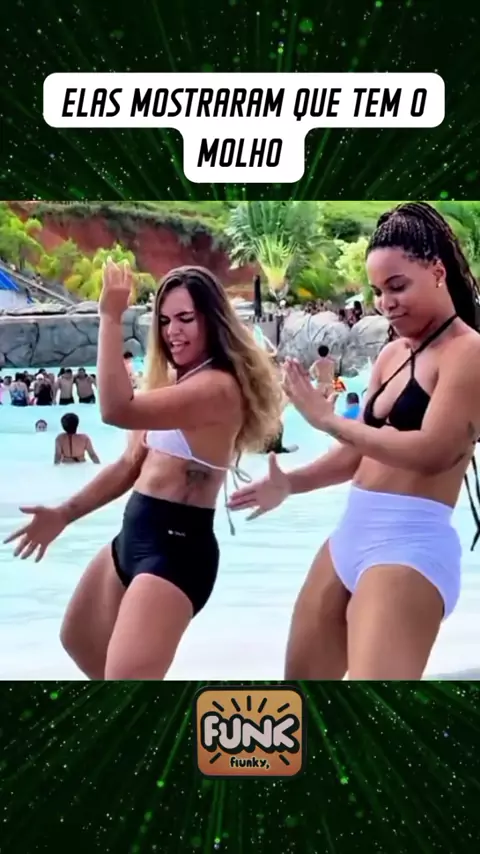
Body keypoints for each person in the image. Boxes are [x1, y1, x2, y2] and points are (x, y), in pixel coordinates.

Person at [228, 202, 480, 681]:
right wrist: (290, 484)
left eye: (398, 286)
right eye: (378, 291)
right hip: (350, 535)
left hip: (410, 547)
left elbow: (434, 452)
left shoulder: (468, 353)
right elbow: (355, 454)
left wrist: (328, 420)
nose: (386, 303)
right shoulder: (391, 355)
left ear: (437, 272)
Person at [5, 262, 282, 680]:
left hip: (176, 550)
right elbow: (130, 465)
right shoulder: (173, 380)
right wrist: (63, 513)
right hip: (134, 536)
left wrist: (109, 316)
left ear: (212, 320)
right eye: (165, 321)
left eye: (185, 319)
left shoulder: (218, 388)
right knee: (79, 639)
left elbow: (115, 409)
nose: (173, 331)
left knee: (128, 685)